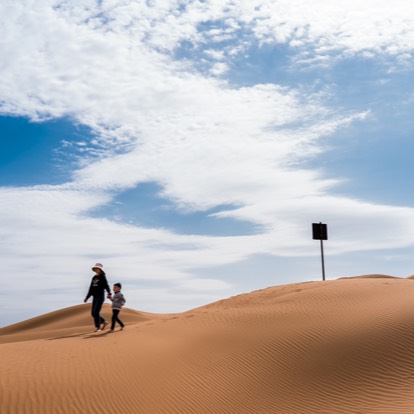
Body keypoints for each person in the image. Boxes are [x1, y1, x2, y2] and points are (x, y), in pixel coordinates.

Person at [84, 263, 111, 332]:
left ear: (100, 269)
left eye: (97, 268)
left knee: (96, 312)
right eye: (95, 268)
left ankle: (98, 327)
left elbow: (106, 285)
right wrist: (87, 297)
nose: (96, 269)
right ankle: (104, 322)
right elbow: (91, 288)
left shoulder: (102, 277)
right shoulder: (94, 278)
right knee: (93, 313)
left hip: (100, 296)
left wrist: (109, 292)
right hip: (95, 297)